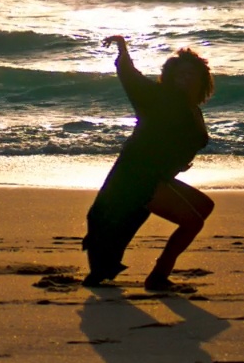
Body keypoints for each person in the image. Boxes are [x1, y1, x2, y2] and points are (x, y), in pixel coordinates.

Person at [83, 35, 215, 291]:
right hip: (137, 177)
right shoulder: (159, 98)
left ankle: (153, 274)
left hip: (157, 176)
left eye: (191, 74)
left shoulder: (192, 109)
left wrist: (180, 161)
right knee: (192, 221)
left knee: (204, 206)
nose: (185, 78)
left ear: (201, 80)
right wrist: (123, 49)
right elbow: (131, 79)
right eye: (180, 73)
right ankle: (158, 277)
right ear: (170, 76)